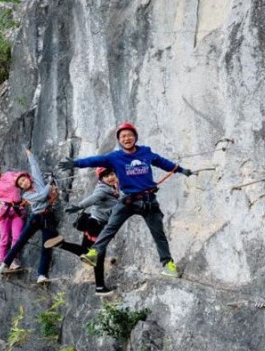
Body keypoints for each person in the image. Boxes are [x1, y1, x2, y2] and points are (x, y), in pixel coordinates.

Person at [58, 122, 194, 293]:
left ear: (135, 137)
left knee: (159, 235)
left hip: (148, 201)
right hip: (127, 201)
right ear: (119, 140)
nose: (126, 138)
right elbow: (94, 160)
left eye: (129, 135)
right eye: (123, 136)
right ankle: (94, 253)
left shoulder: (146, 152)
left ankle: (168, 265)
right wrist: (76, 163)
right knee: (110, 227)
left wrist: (181, 170)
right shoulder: (115, 157)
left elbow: (161, 162)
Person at [44, 167, 121, 292]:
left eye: (112, 174)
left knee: (88, 253)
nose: (110, 178)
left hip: (91, 222)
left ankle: (62, 244)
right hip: (97, 226)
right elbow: (93, 199)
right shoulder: (103, 190)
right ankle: (100, 287)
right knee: (96, 256)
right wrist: (78, 206)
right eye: (106, 176)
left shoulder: (112, 188)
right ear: (101, 179)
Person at [0, 148, 59, 283]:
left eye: (23, 180)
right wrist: (49, 184)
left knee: (47, 246)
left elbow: (34, 166)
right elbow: (42, 196)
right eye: (21, 184)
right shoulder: (26, 195)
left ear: (28, 178)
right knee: (21, 240)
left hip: (48, 217)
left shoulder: (37, 180)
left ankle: (41, 275)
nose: (24, 183)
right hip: (36, 217)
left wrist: (30, 154)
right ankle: (5, 263)